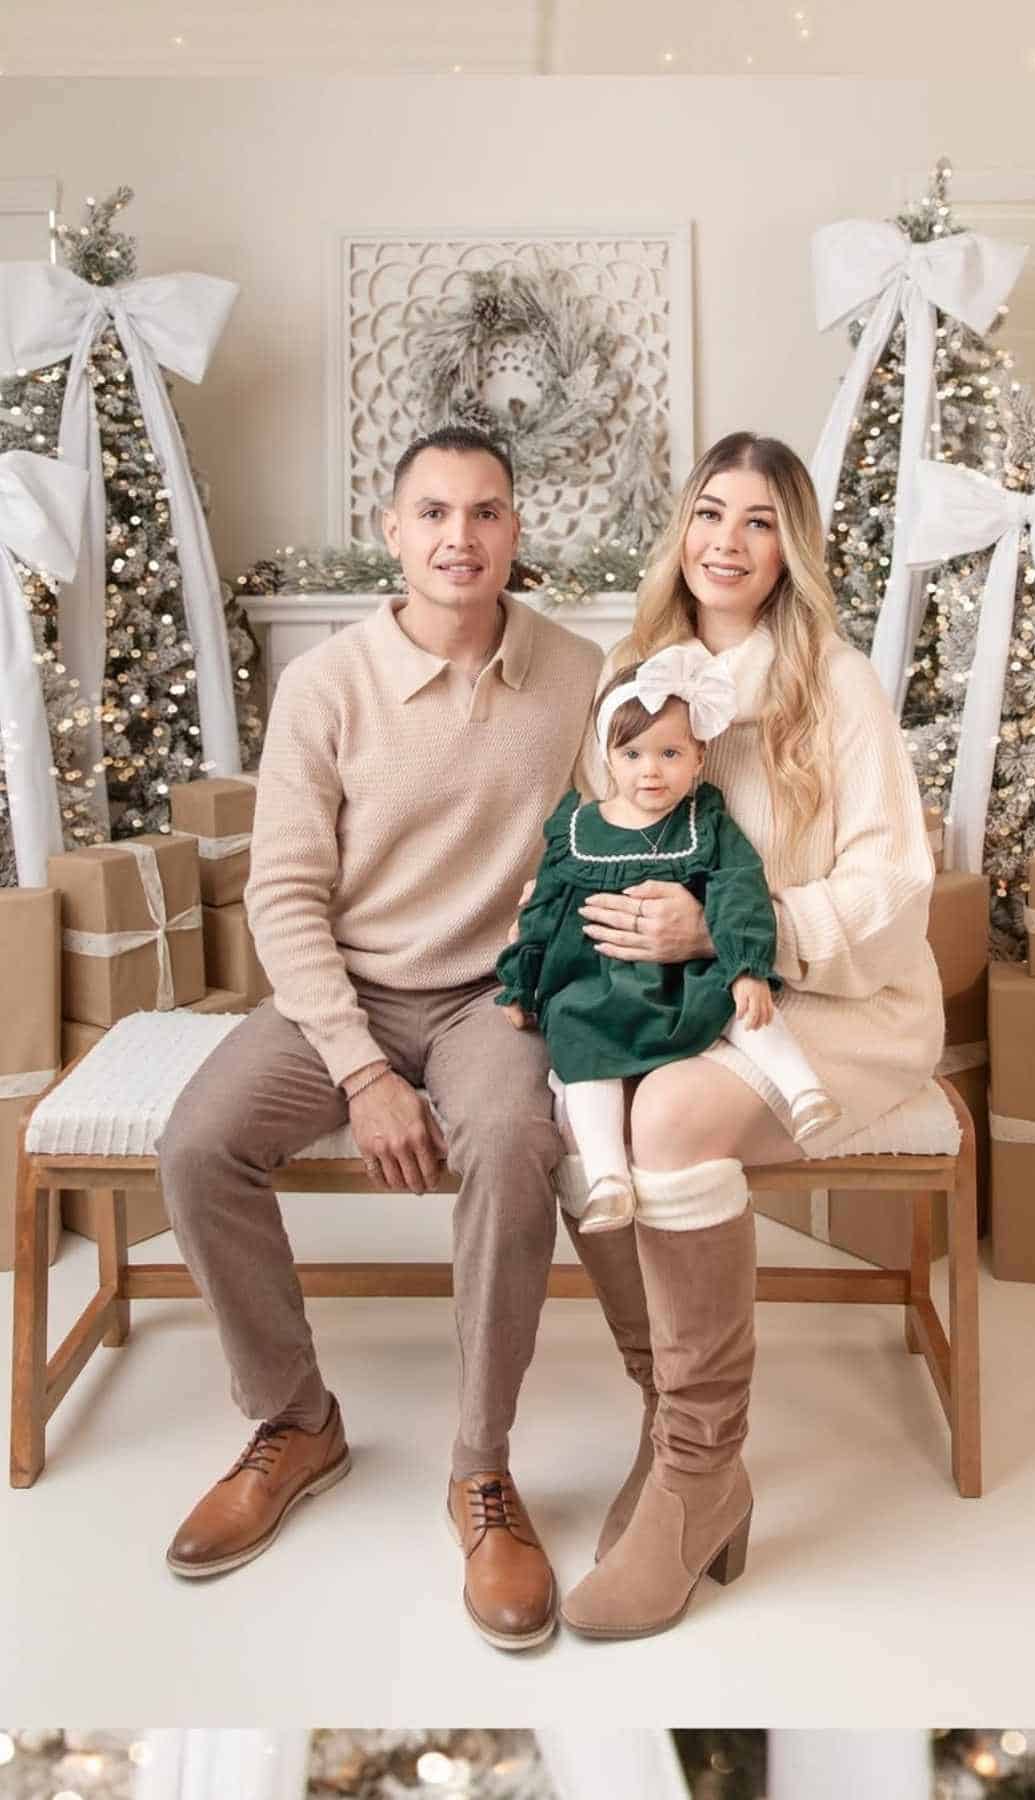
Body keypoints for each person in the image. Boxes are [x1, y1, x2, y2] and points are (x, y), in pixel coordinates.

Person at [157, 424, 602, 1652]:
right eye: (435, 514)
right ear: (393, 532)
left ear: (517, 530)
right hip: (341, 991)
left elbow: (594, 846)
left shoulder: (577, 673)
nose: (461, 538)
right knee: (198, 1145)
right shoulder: (328, 683)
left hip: (490, 1001)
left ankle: (480, 1471)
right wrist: (360, 1068)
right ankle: (296, 1422)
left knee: (516, 1141)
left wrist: (534, 984)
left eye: (486, 513)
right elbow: (284, 893)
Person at [549, 430, 944, 1640]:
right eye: (710, 513)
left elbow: (897, 886)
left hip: (836, 1003)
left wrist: (738, 931)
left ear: (792, 549)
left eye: (760, 521)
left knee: (663, 1120)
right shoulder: (638, 675)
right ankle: (674, 1436)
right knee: (578, 1110)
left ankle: (704, 1467)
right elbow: (601, 842)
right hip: (679, 1004)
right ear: (682, 531)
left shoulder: (837, 684)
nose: (728, 541)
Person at [495, 645, 840, 1234]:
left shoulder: (702, 821)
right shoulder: (577, 826)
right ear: (607, 756)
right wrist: (522, 985)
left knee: (737, 1000)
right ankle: (607, 1178)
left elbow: (738, 889)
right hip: (596, 981)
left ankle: (802, 1088)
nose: (649, 771)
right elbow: (545, 908)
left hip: (681, 976)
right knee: (576, 1039)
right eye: (631, 754)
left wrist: (746, 965)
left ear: (699, 758)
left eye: (669, 753)